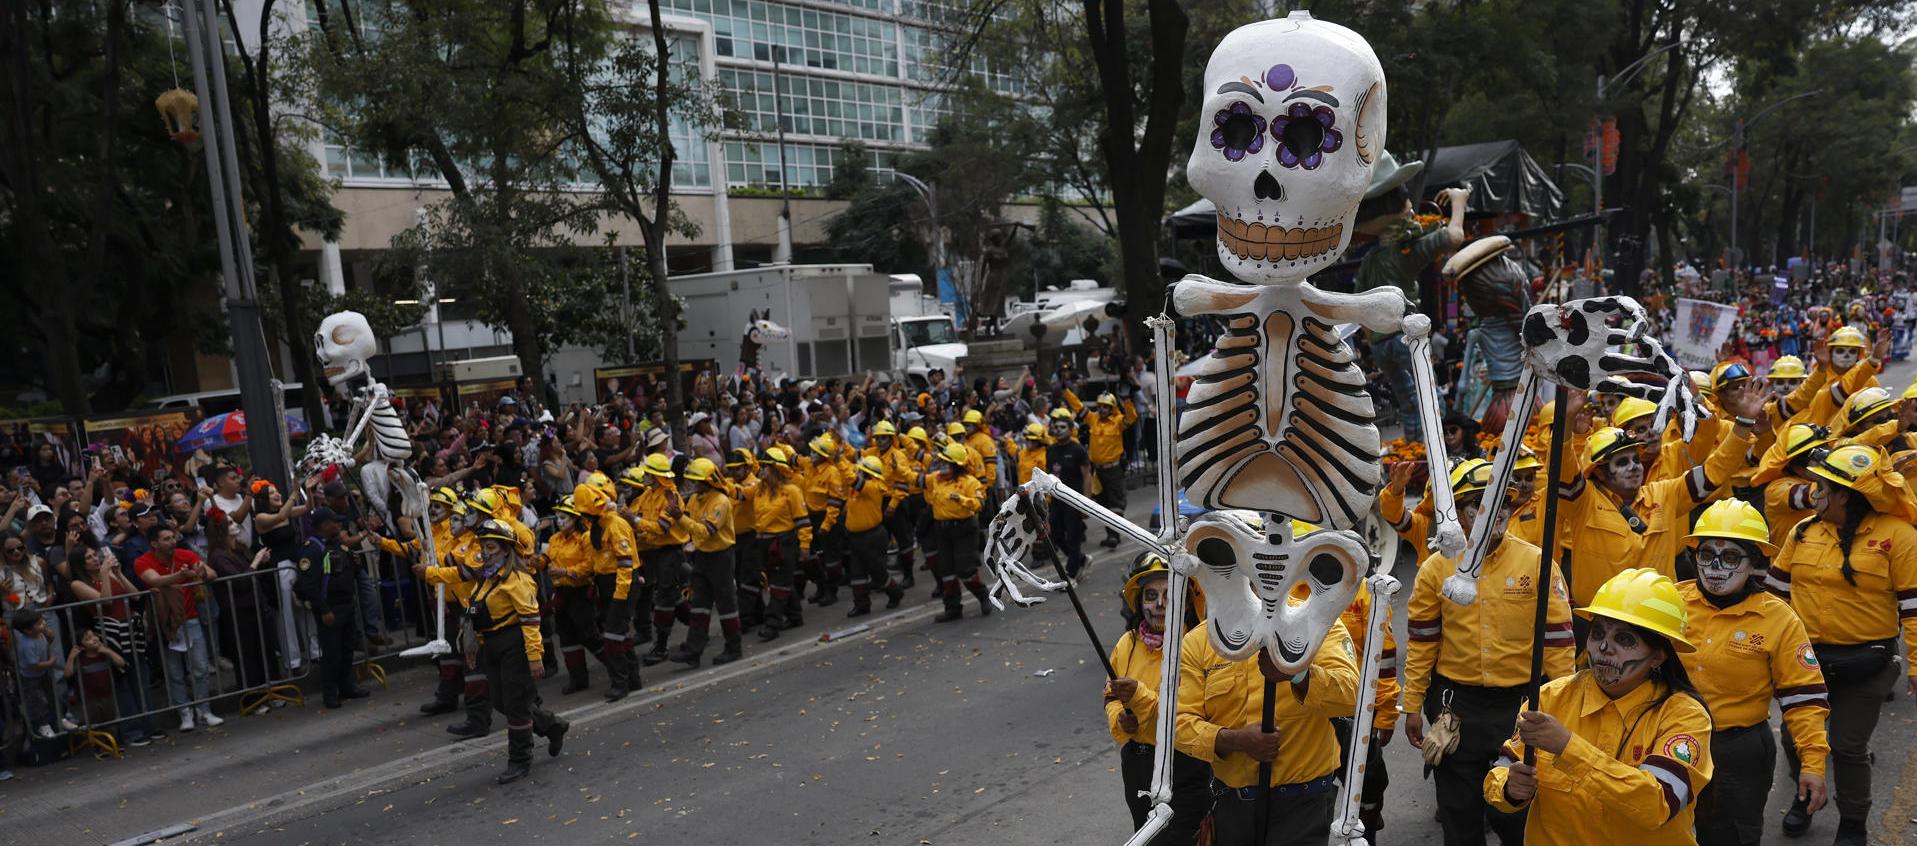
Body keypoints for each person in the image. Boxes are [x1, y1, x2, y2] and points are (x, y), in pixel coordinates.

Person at [1402, 458, 1574, 846]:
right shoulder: (1435, 569)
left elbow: (1559, 644)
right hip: (1454, 707)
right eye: (1478, 503)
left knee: (1518, 817)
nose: (1492, 513)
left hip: (1520, 709)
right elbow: (1422, 642)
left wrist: (1562, 711)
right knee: (1459, 816)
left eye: (1501, 503)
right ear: (1458, 511)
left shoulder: (1537, 563)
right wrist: (1411, 704)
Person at [1484, 568, 1713, 846]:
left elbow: (1658, 803)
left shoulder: (1685, 716)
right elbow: (1504, 769)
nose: (1604, 647)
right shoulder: (1550, 698)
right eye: (1598, 633)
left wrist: (1568, 747)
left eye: (1625, 639)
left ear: (1658, 656)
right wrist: (1511, 789)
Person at [1763, 444, 1917, 844]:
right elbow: (1774, 598)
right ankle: (1806, 797)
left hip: (1867, 665)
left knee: (1848, 747)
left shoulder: (1898, 536)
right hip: (1806, 664)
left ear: (1846, 494)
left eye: (1823, 485)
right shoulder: (1803, 532)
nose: (1814, 491)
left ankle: (1853, 823)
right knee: (1795, 740)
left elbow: (1914, 608)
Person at [1675, 499, 1829, 846]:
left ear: (1753, 562)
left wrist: (1813, 763)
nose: (1715, 567)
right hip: (1667, 739)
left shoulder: (1779, 619)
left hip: (1738, 751)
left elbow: (1803, 698)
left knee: (1730, 836)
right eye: (1706, 554)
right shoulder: (1670, 602)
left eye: (1729, 557)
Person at [1174, 606, 1361, 844]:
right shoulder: (1200, 640)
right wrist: (1236, 740)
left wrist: (1296, 674)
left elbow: (1352, 695)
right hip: (1232, 810)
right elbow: (1180, 724)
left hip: (1303, 807)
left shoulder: (1316, 621)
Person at [1104, 555, 1210, 845]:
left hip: (1185, 767)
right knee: (1146, 835)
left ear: (1187, 602)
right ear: (1139, 604)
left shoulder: (1199, 645)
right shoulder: (1127, 644)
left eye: (1170, 594)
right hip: (1138, 768)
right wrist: (1121, 718)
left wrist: (1138, 695)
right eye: (1151, 596)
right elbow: (1110, 697)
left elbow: (1191, 713)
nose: (1160, 605)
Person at [465, 519, 570, 784]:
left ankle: (520, 760)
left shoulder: (518, 580)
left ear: (505, 550)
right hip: (492, 644)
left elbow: (531, 621)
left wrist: (535, 657)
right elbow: (477, 613)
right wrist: (474, 643)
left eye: (491, 547)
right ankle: (552, 725)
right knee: (501, 701)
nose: (485, 552)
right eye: (483, 546)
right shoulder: (486, 579)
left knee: (515, 705)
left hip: (514, 643)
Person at [135, 525, 225, 730]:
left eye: (173, 537)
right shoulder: (143, 561)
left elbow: (212, 574)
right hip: (166, 624)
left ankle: (204, 710)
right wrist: (181, 576)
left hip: (191, 617)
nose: (172, 541)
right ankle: (185, 712)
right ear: (154, 544)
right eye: (166, 539)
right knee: (174, 671)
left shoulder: (185, 554)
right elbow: (154, 580)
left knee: (200, 667)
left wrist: (200, 572)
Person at [572, 476, 643, 701]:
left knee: (612, 635)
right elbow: (597, 560)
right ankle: (633, 678)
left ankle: (620, 683)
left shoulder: (615, 524)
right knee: (618, 633)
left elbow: (625, 562)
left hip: (621, 583)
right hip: (606, 584)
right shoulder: (596, 526)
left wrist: (620, 595)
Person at [293, 508, 371, 710]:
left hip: (346, 603)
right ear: (324, 525)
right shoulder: (312, 548)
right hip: (330, 607)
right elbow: (308, 585)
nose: (339, 525)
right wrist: (324, 609)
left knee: (347, 649)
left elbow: (349, 570)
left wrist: (355, 564)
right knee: (332, 653)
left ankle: (347, 686)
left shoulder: (338, 546)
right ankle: (330, 693)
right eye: (334, 522)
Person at [671, 457, 745, 666]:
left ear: (708, 482)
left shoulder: (720, 502)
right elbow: (686, 522)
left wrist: (680, 518)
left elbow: (706, 531)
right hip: (702, 557)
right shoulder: (696, 499)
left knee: (726, 604)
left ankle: (734, 647)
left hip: (720, 557)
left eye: (696, 481)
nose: (693, 485)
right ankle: (693, 651)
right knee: (699, 606)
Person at [627, 455, 690, 666]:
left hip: (670, 553)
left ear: (656, 476)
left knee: (664, 598)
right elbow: (639, 519)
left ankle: (661, 646)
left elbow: (662, 527)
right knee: (671, 595)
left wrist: (634, 521)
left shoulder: (671, 497)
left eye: (648, 473)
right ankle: (698, 628)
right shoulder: (648, 494)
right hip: (654, 553)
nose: (644, 476)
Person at [923, 442, 989, 622]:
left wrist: (962, 500)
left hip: (964, 529)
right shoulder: (935, 478)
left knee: (965, 569)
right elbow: (914, 478)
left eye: (946, 463)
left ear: (957, 466)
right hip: (942, 530)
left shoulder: (970, 482)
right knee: (947, 571)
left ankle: (984, 596)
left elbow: (979, 505)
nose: (941, 466)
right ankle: (952, 608)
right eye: (941, 462)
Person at [751, 446, 811, 640]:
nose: (761, 471)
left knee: (778, 584)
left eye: (766, 467)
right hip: (763, 543)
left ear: (776, 469)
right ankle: (795, 615)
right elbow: (738, 492)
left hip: (784, 543)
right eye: (761, 466)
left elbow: (803, 521)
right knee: (782, 582)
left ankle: (772, 623)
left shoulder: (792, 491)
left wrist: (804, 546)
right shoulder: (759, 490)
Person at [542, 495, 602, 692]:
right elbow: (547, 557)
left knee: (589, 634)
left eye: (563, 518)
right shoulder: (554, 539)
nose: (559, 522)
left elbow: (589, 565)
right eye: (557, 517)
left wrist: (566, 572)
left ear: (575, 518)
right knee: (566, 636)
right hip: (561, 593)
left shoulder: (585, 538)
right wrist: (537, 562)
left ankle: (618, 666)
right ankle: (578, 679)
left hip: (580, 591)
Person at [1064, 390, 1137, 549]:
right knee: (1103, 504)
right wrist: (1066, 391)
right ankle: (1110, 534)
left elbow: (1131, 418)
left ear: (1112, 408)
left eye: (1106, 406)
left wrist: (1127, 400)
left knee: (1115, 504)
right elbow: (1078, 406)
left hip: (1114, 470)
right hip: (1097, 471)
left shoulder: (1118, 421)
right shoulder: (1092, 419)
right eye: (1100, 406)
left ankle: (1113, 535)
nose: (1102, 409)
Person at [838, 455, 903, 619]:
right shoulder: (857, 490)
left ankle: (895, 592)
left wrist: (839, 460)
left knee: (878, 572)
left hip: (872, 536)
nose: (858, 472)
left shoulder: (872, 487)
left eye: (861, 470)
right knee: (857, 573)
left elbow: (851, 478)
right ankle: (861, 605)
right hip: (855, 536)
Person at [10, 608, 77, 737]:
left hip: (43, 674)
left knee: (53, 696)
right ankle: (43, 726)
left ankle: (61, 718)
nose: (43, 624)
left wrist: (50, 637)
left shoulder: (40, 635)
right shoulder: (26, 644)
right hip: (30, 678)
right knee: (38, 701)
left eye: (42, 621)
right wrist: (50, 662)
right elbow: (34, 665)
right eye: (39, 623)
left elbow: (46, 644)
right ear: (28, 630)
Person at [1045, 409, 1093, 578]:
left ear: (1071, 429)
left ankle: (1070, 575)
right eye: (1056, 426)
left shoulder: (1078, 450)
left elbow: (1087, 476)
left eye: (1063, 426)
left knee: (1074, 537)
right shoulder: (1050, 450)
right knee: (1055, 535)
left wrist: (1086, 504)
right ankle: (1080, 559)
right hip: (1056, 500)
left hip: (1074, 500)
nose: (1058, 429)